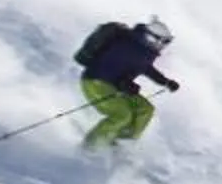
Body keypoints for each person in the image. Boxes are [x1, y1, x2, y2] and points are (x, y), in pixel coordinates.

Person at [74, 18, 180, 150]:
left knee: (145, 109)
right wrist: (123, 83)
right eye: (164, 41)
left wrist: (165, 82)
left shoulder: (145, 49)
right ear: (152, 38)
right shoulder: (127, 45)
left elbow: (146, 68)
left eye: (167, 41)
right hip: (95, 82)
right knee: (122, 115)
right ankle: (90, 146)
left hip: (115, 86)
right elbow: (105, 67)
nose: (164, 45)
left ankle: (122, 142)